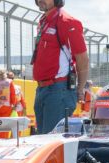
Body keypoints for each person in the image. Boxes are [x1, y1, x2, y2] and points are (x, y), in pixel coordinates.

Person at [32, 0, 89, 134]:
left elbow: (83, 59)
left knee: (50, 143)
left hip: (58, 91)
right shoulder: (43, 21)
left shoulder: (67, 22)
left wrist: (80, 89)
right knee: (42, 141)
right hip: (42, 90)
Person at [0, 70, 17, 138]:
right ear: (5, 75)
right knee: (5, 125)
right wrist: (13, 104)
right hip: (7, 107)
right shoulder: (9, 82)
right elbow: (13, 95)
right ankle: (4, 140)